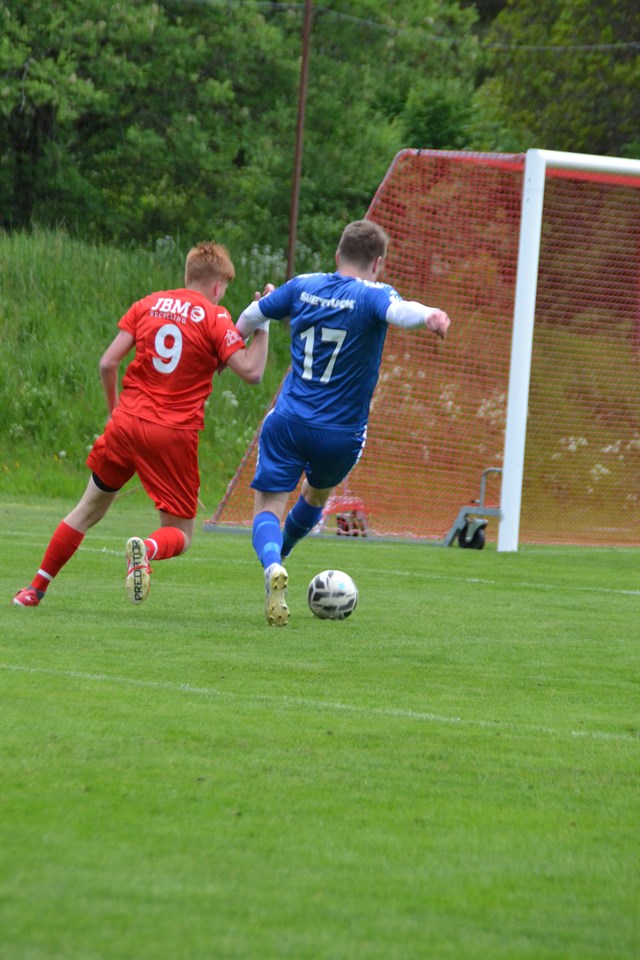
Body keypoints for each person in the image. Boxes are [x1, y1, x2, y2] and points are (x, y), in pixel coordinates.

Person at [13, 242, 270, 608]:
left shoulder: (148, 304)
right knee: (180, 532)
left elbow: (107, 363)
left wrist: (113, 411)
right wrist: (263, 324)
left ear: (187, 274)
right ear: (218, 286)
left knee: (87, 509)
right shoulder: (215, 317)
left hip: (126, 423)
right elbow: (252, 371)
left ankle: (33, 590)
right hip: (171, 433)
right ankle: (145, 550)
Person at [235, 219, 450, 627]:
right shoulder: (373, 294)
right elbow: (400, 311)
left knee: (269, 506)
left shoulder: (302, 285)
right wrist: (431, 316)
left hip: (289, 420)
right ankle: (283, 556)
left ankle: (272, 562)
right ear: (378, 264)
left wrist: (233, 345)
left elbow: (250, 315)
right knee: (316, 496)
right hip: (341, 434)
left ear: (337, 255)